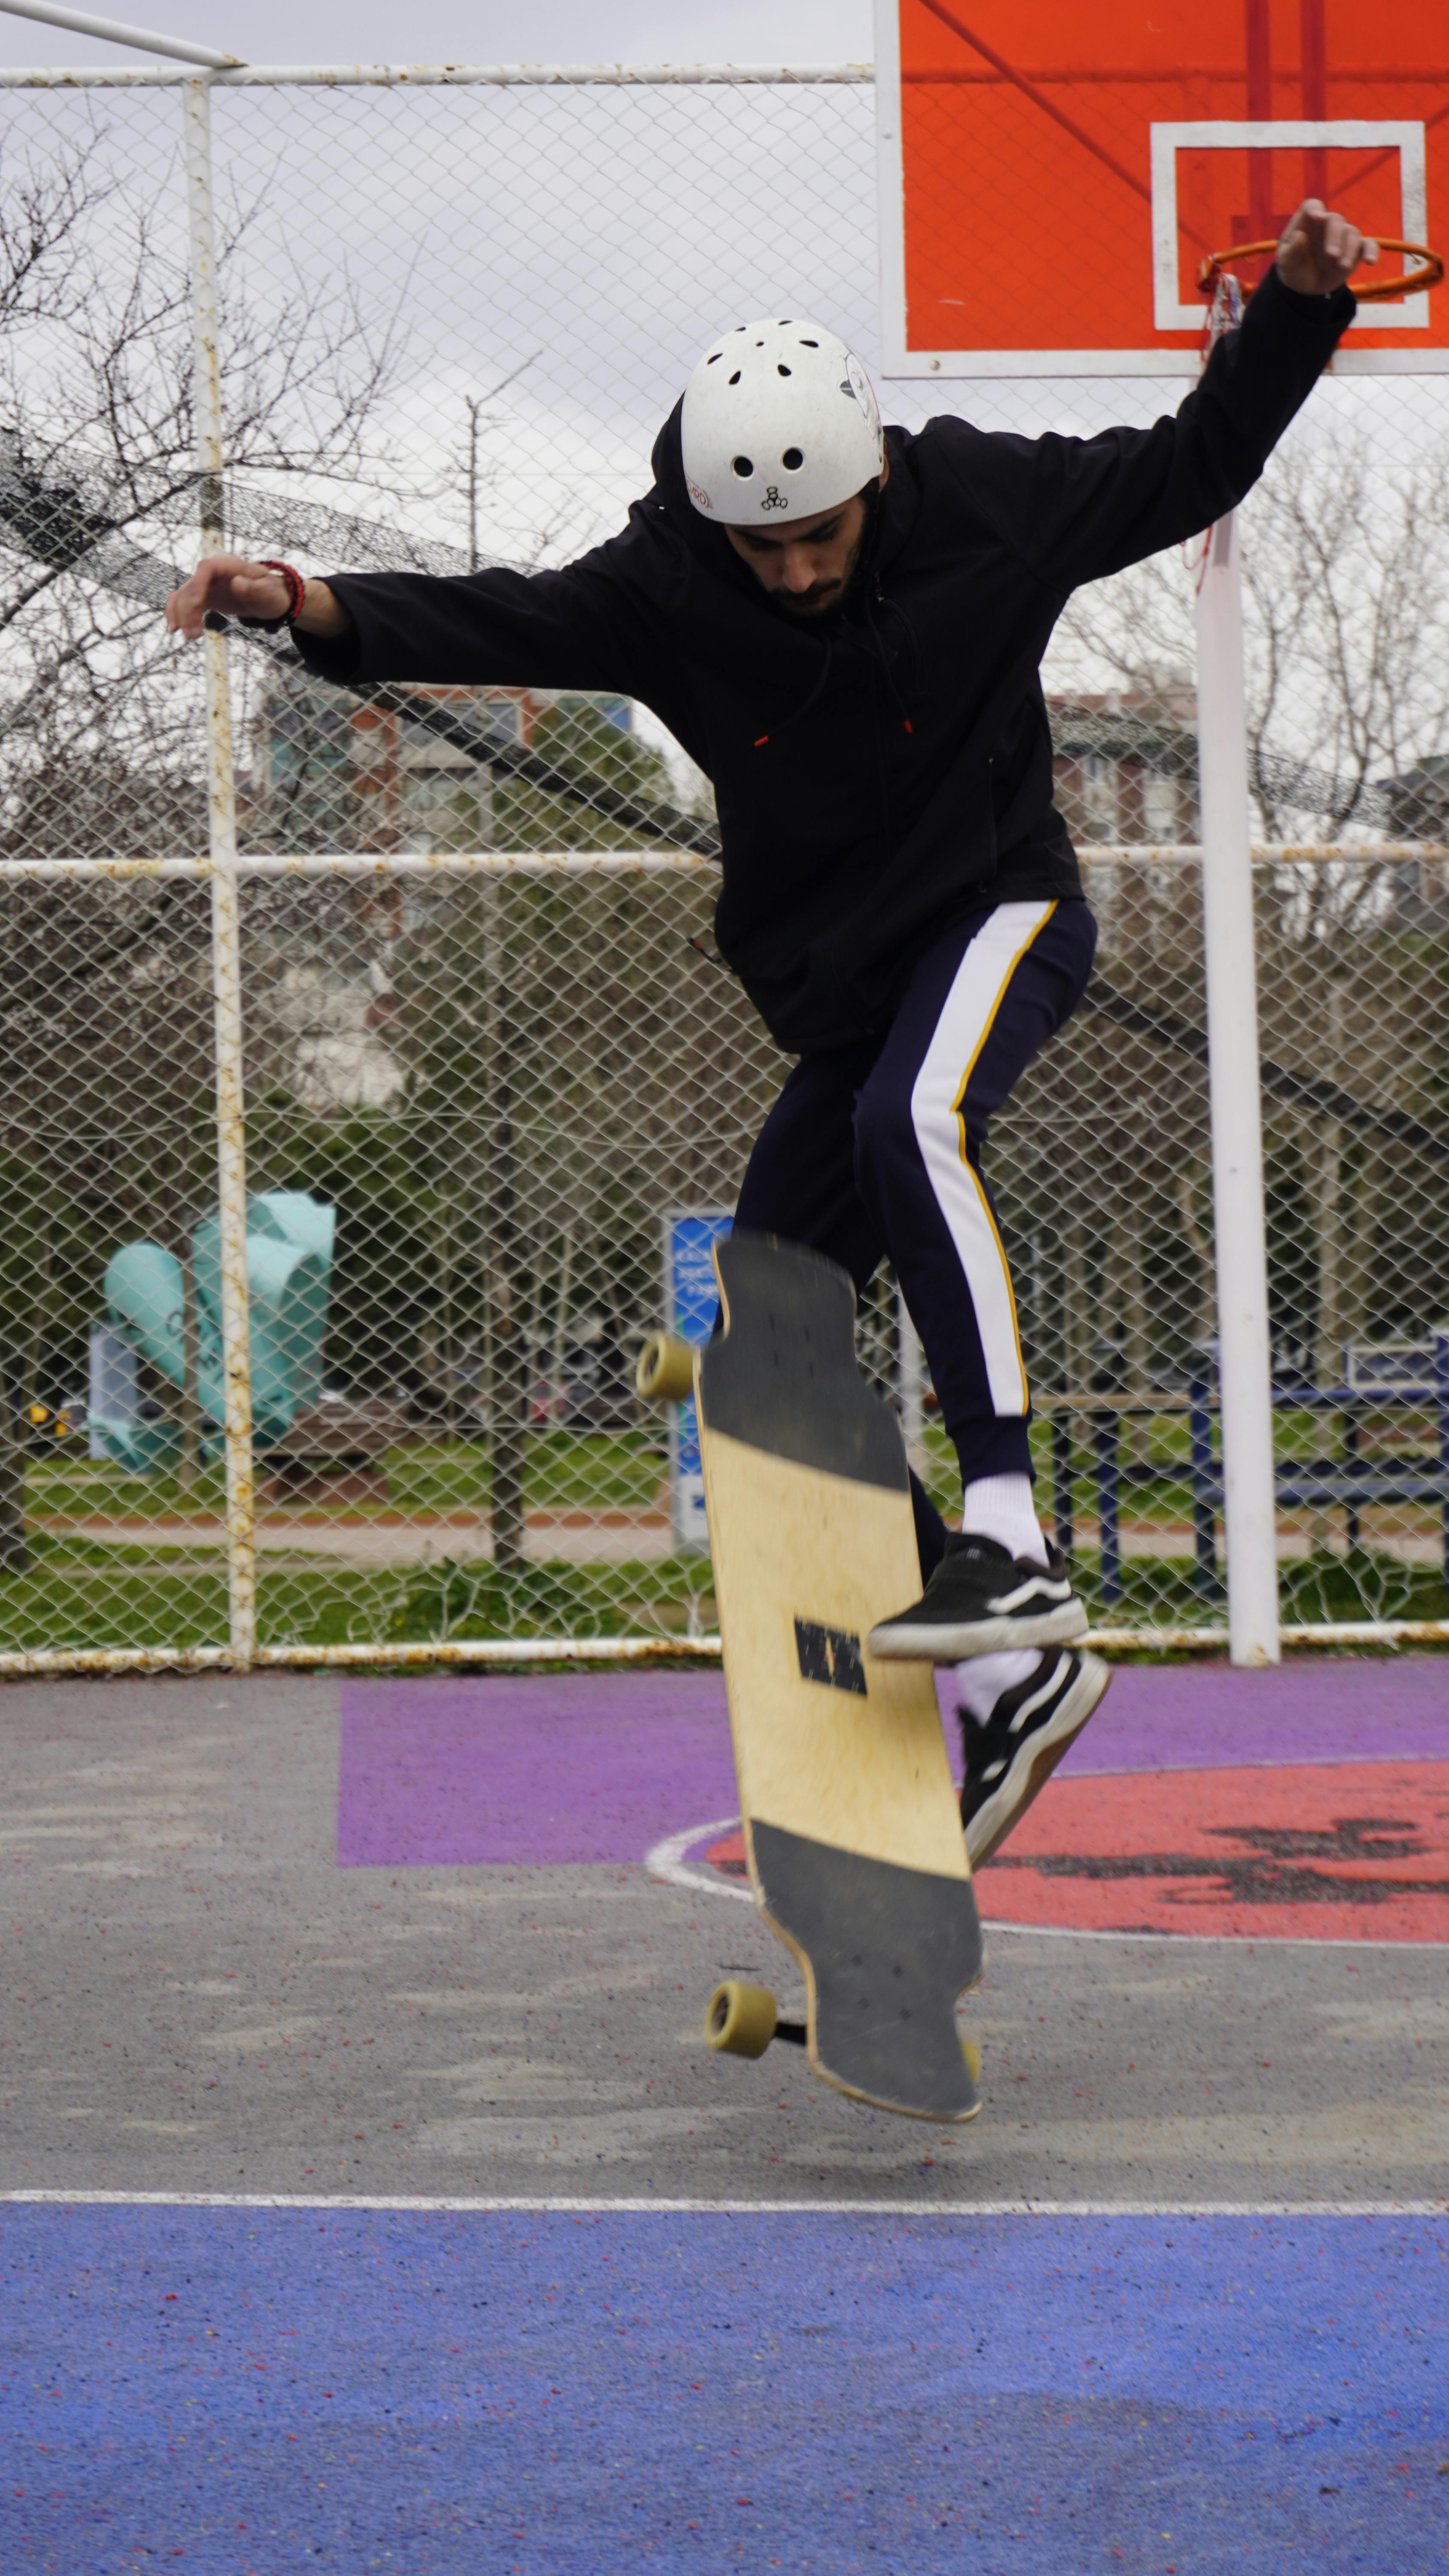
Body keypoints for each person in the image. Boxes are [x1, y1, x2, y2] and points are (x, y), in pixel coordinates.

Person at [166, 198, 1375, 1865]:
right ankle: (1018, 1674)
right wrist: (299, 600)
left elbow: (1188, 464)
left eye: (822, 534)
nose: (798, 571)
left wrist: (1302, 311)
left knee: (911, 1129)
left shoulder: (983, 506)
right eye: (767, 550)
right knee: (765, 1362)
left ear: (872, 482)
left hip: (1004, 916)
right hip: (842, 986)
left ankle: (1010, 1537)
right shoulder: (667, 582)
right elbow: (492, 617)